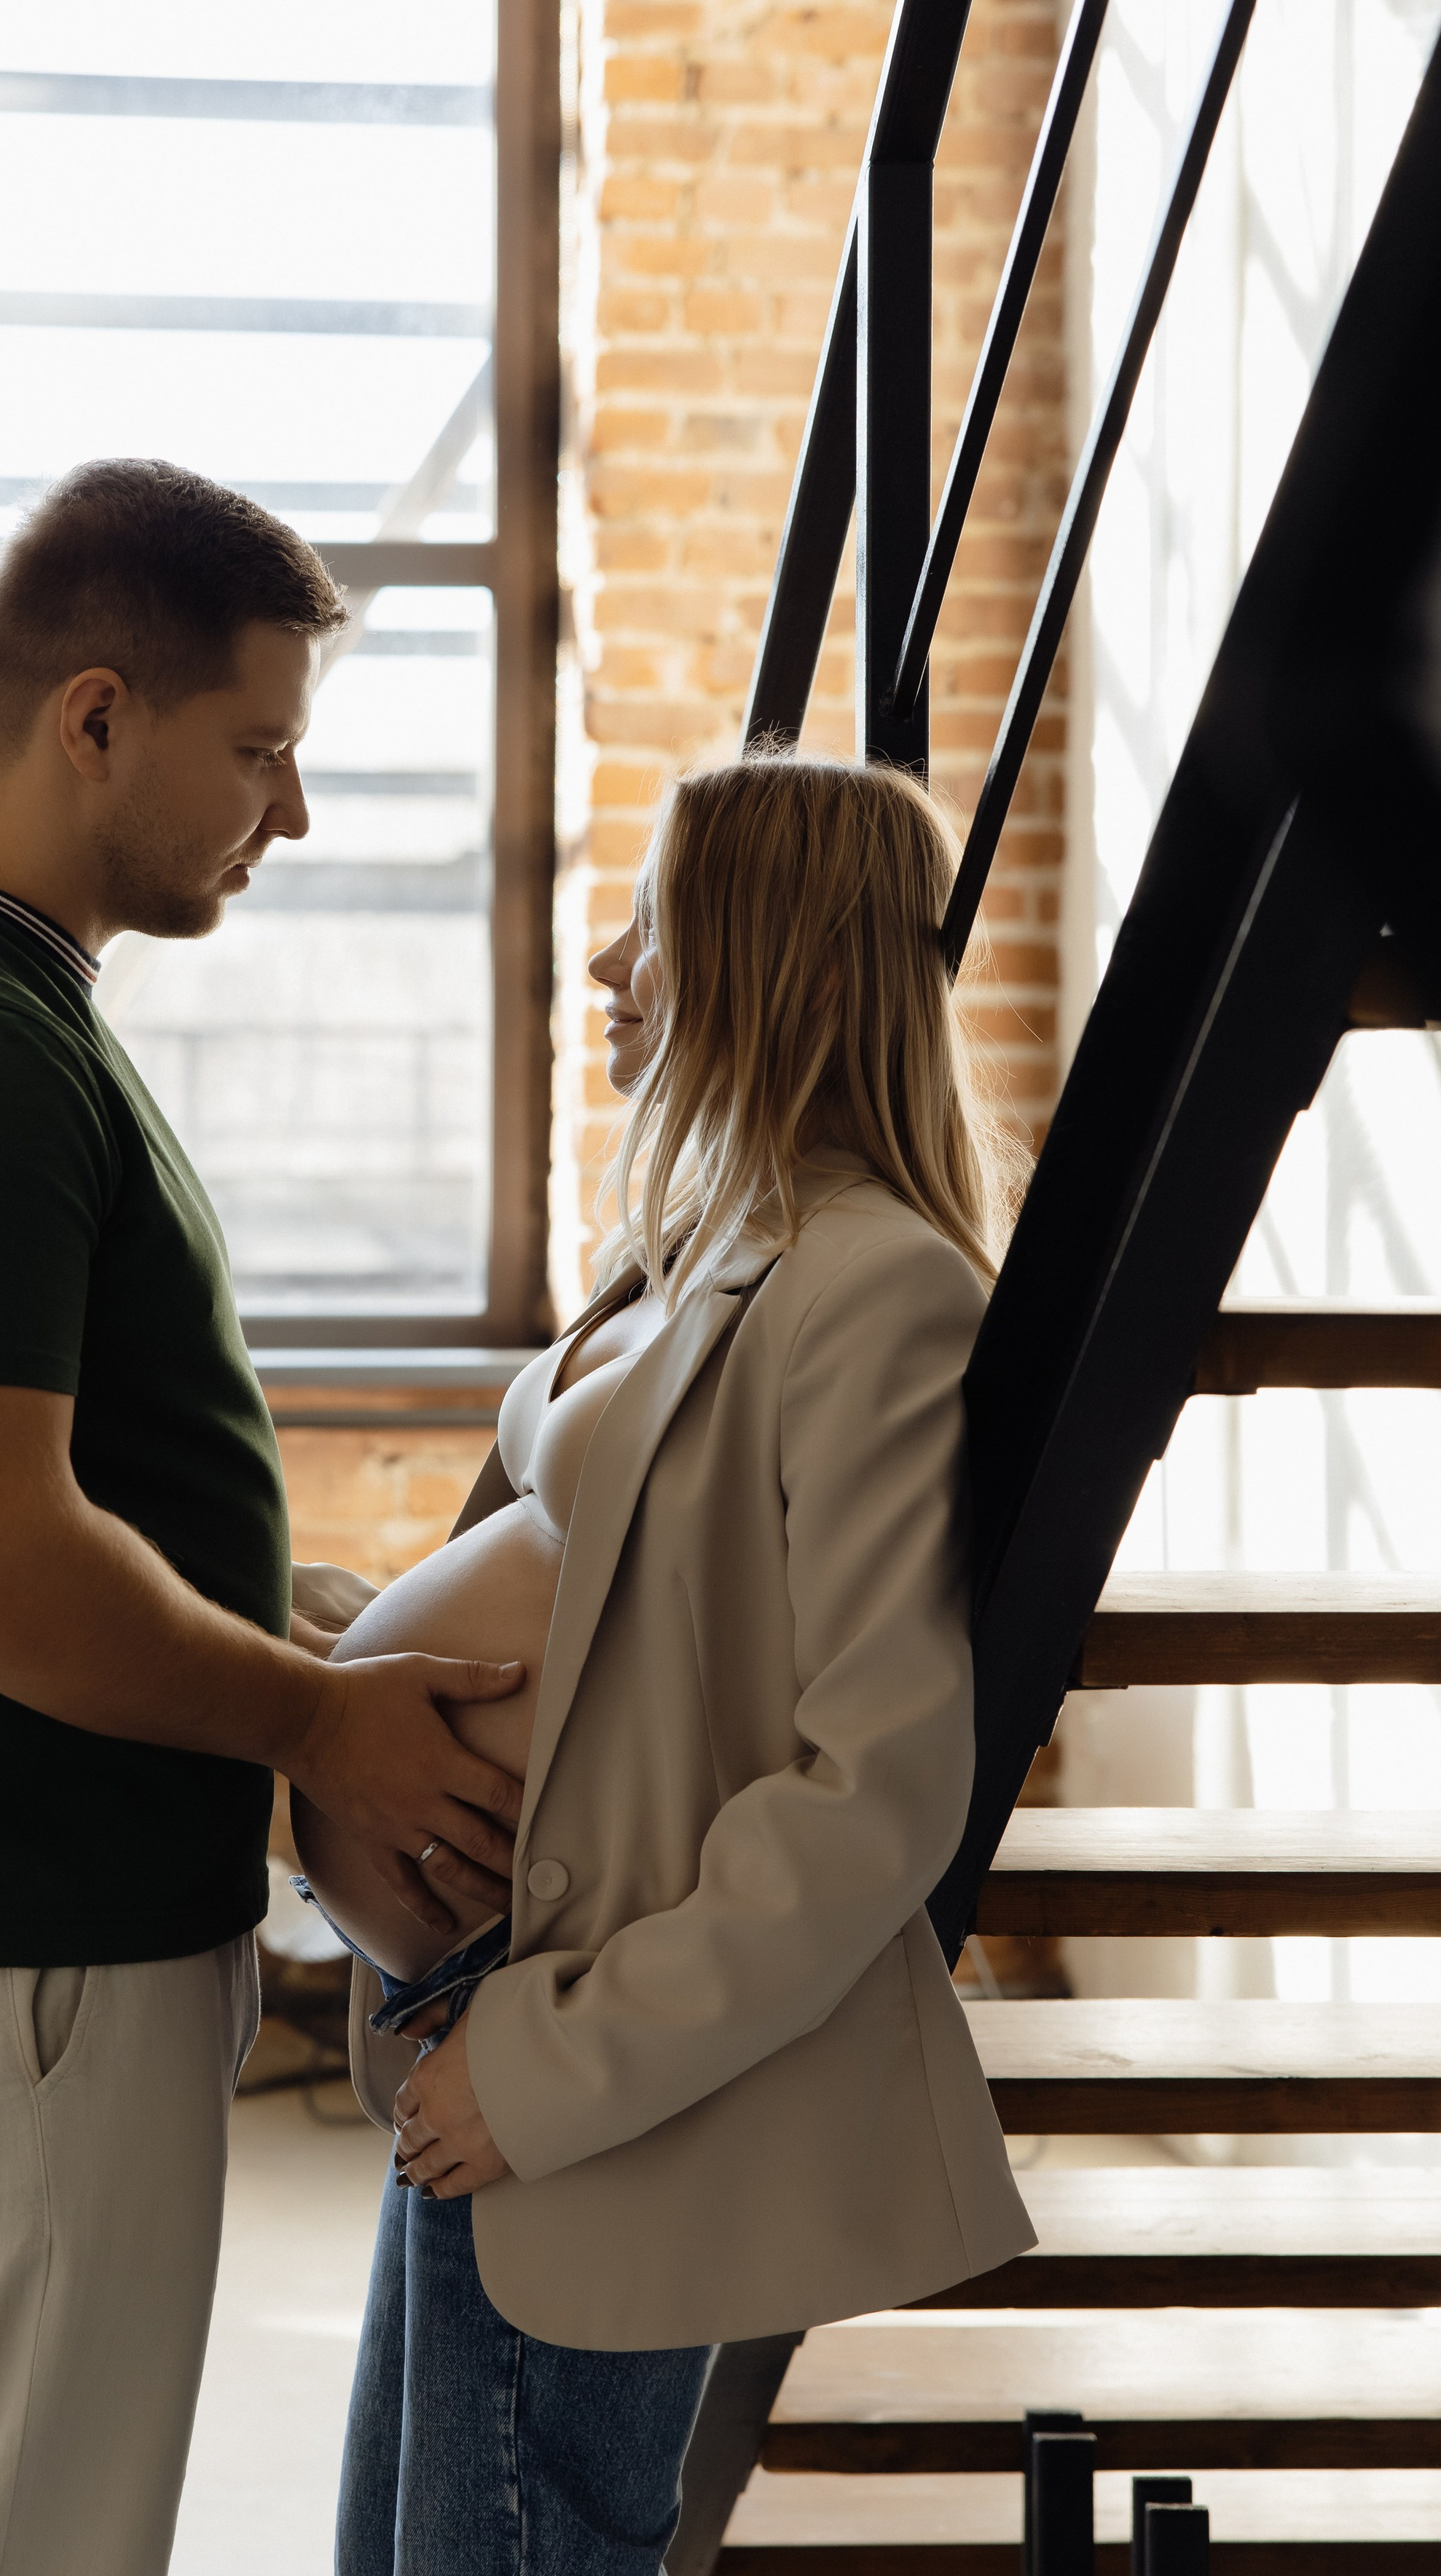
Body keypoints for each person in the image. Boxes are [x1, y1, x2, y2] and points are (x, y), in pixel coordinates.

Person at [0, 459, 527, 2576]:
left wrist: (313, 1615)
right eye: (258, 751)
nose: (295, 814)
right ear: (96, 717)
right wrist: (311, 1721)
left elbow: (74, 1490)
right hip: (10, 1956)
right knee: (16, 2542)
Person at [291, 751, 1038, 2576]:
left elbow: (873, 1793)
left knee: (515, 2548)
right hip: (485, 1994)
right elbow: (614, 1613)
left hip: (585, 2073)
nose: (610, 970)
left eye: (649, 923)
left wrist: (543, 2071)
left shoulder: (879, 1290)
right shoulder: (705, 1252)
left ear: (761, 955)